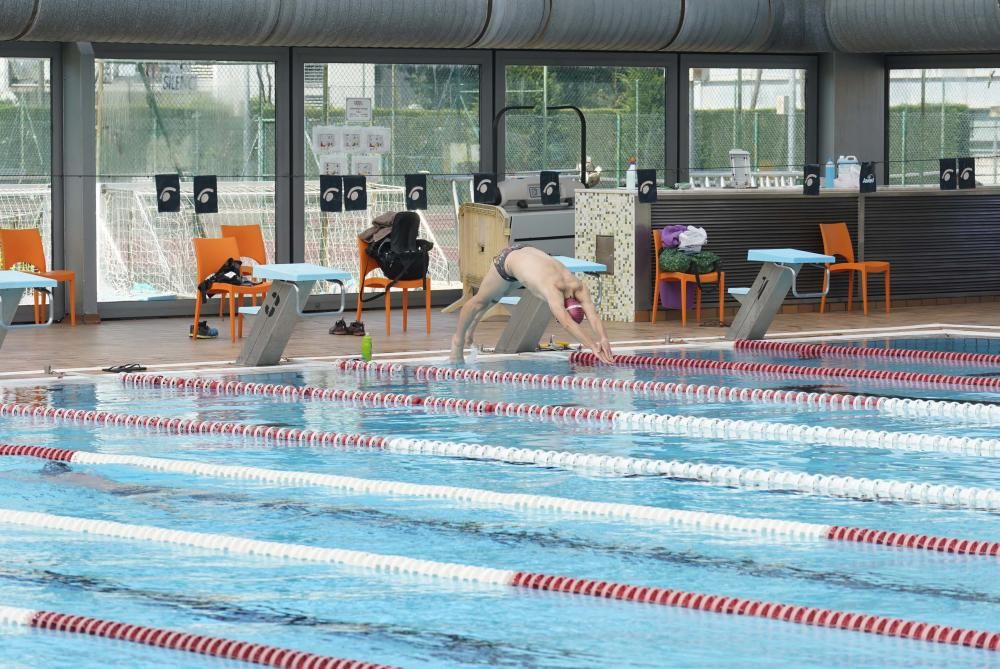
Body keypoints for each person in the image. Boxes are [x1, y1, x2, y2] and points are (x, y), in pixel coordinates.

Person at [450, 244, 614, 363]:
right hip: (508, 261)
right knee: (479, 302)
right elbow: (567, 323)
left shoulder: (577, 285)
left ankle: (470, 331)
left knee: (496, 297)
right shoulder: (553, 289)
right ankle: (457, 341)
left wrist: (604, 338)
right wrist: (592, 345)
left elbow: (593, 315)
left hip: (526, 255)